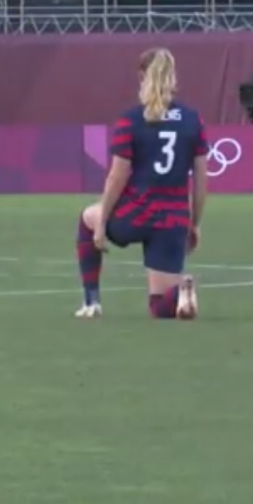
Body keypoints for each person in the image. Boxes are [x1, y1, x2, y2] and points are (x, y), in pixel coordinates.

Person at [73, 48, 206, 321]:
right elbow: (201, 180)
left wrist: (102, 222)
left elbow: (117, 176)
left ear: (142, 77)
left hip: (136, 213)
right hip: (172, 219)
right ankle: (181, 291)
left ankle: (92, 302)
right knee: (159, 307)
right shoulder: (193, 120)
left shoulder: (131, 120)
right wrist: (194, 224)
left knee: (87, 218)